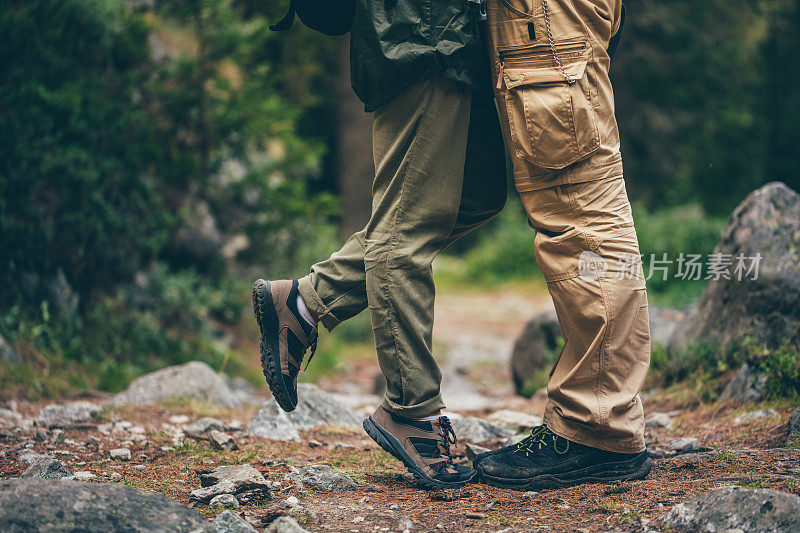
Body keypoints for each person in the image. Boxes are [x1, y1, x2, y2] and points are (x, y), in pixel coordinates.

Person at [253, 0, 507, 490]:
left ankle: (306, 302)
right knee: (407, 227)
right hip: (422, 31)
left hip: (459, 40)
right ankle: (413, 409)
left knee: (474, 194)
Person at [471, 0, 652, 490]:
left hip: (547, 14)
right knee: (578, 213)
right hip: (545, 16)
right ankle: (600, 418)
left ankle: (599, 427)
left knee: (581, 217)